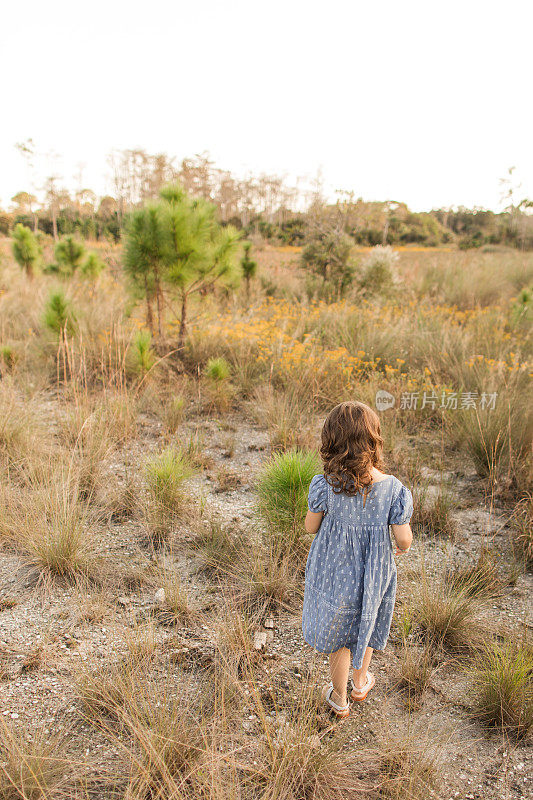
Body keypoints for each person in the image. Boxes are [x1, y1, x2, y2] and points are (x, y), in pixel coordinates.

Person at [301, 400, 413, 719]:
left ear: (331, 443)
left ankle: (339, 697)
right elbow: (403, 537)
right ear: (373, 441)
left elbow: (311, 526)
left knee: (340, 631)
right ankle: (361, 681)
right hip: (374, 572)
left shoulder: (325, 484)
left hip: (335, 571)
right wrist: (402, 546)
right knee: (367, 616)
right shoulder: (393, 489)